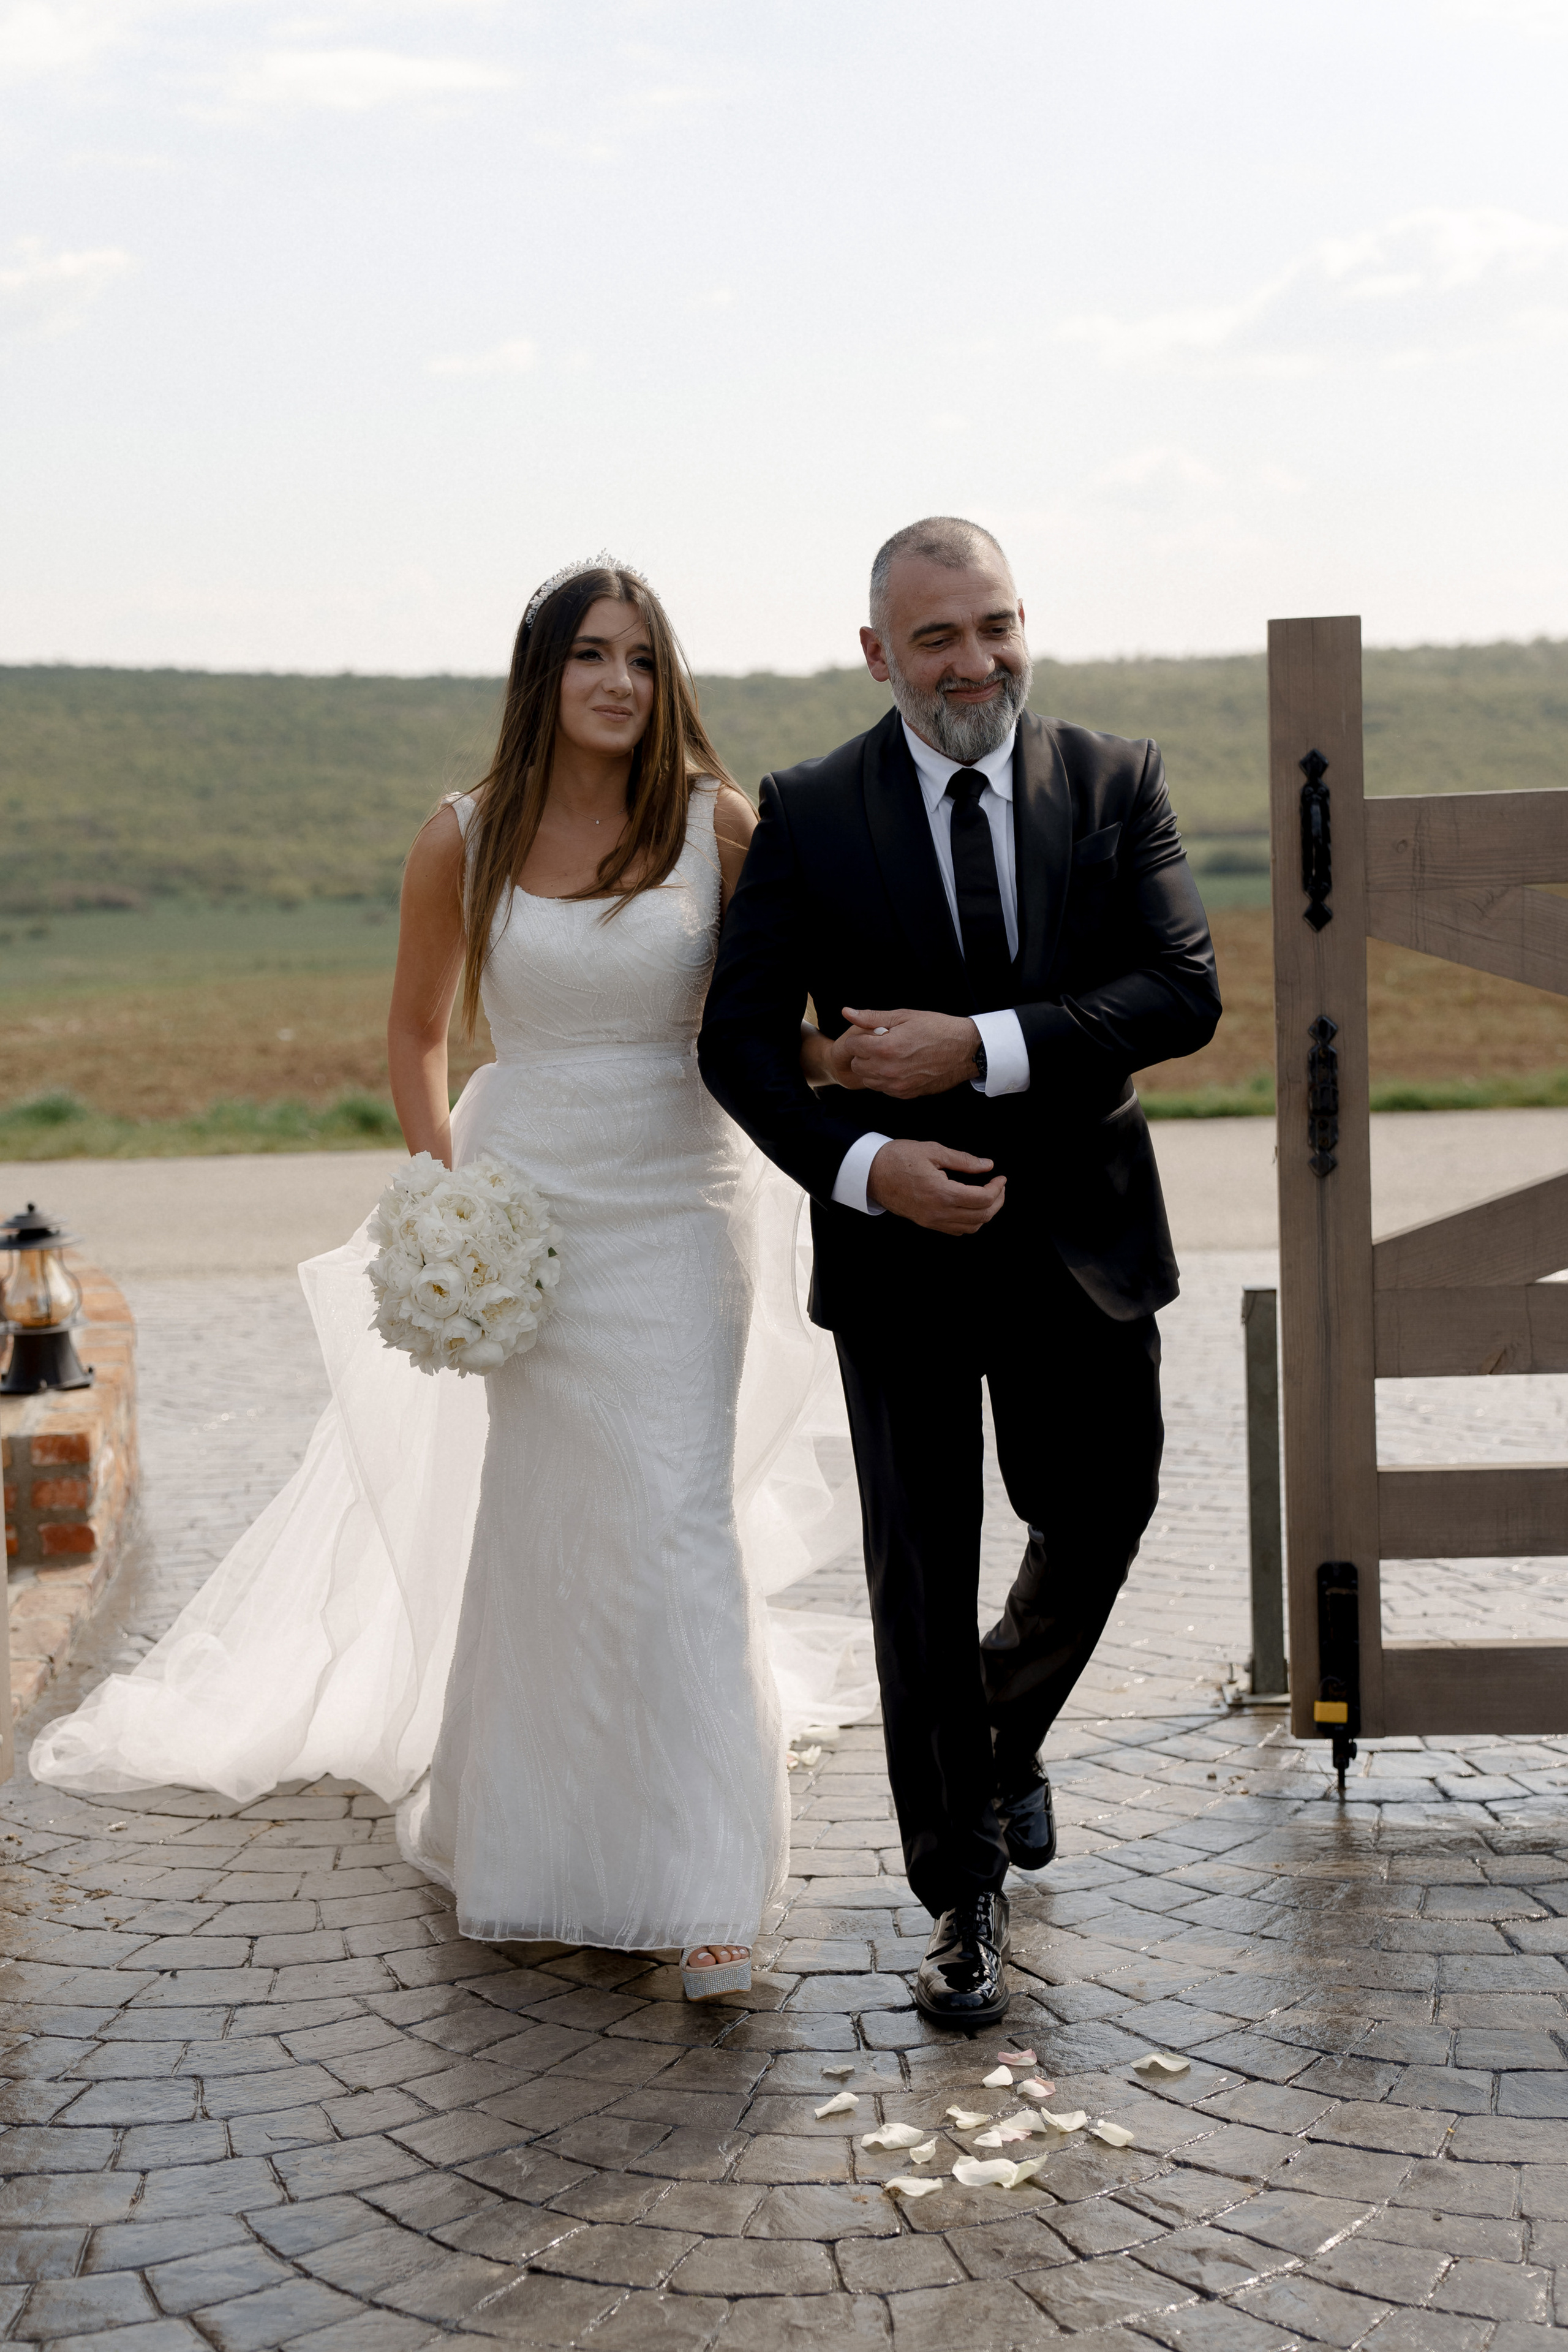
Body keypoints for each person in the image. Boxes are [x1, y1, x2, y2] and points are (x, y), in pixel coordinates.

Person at [31, 556, 876, 2003]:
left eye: (640, 657)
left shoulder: (712, 824)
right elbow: (418, 1035)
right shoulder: (463, 836)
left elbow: (773, 1024)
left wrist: (847, 1073)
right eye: (590, 655)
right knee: (549, 1531)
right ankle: (538, 1850)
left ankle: (709, 1887)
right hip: (530, 1212)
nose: (618, 681)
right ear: (538, 674)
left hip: (681, 1208)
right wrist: (450, 1201)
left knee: (674, 1524)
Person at [698, 517, 1222, 2027]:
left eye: (994, 625)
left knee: (1104, 1504)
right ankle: (961, 1896)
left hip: (1085, 1240)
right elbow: (738, 1045)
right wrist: (869, 1168)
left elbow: (1177, 991)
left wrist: (972, 1048)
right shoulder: (807, 810)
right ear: (878, 654)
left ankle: (996, 1737)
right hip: (897, 1260)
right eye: (936, 637)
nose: (974, 661)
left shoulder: (1115, 779)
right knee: (919, 1579)